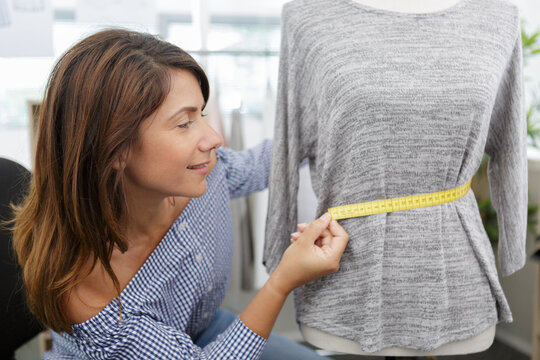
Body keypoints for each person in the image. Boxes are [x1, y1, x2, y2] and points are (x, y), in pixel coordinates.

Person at [9, 29, 349, 359]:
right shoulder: (88, 290)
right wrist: (282, 281)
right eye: (184, 123)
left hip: (204, 329)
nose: (214, 138)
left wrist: (338, 123)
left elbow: (261, 164)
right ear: (114, 150)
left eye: (200, 114)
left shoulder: (202, 174)